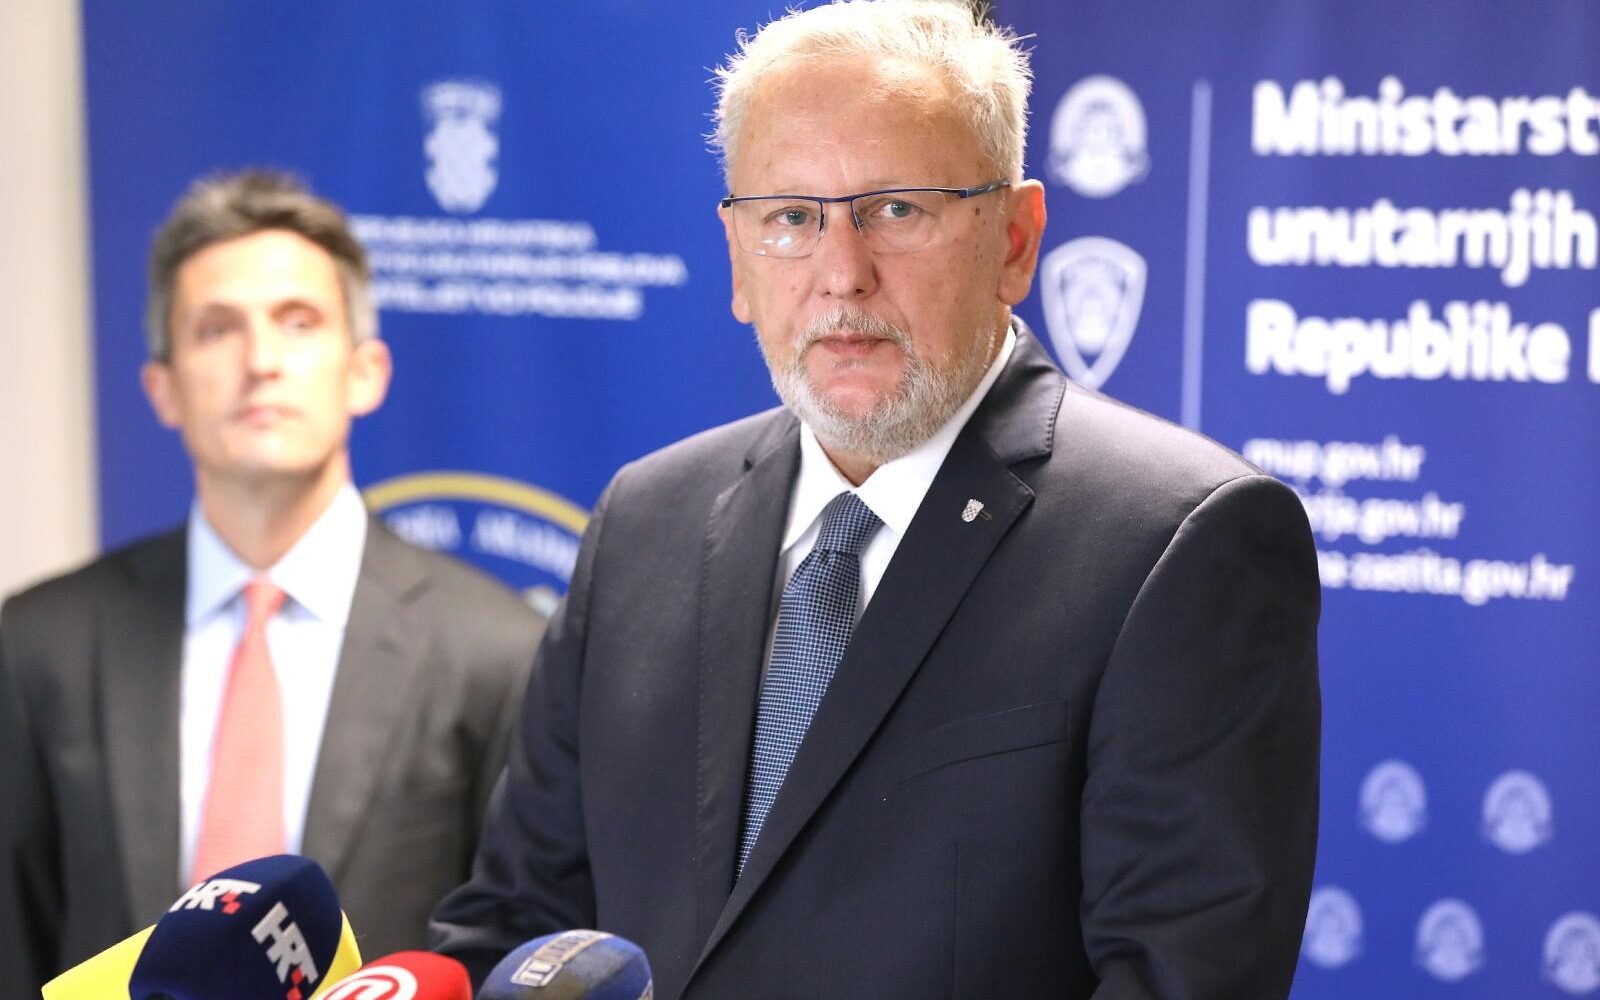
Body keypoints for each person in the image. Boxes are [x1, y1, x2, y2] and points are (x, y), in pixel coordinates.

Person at [430, 3, 1321, 997]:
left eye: (897, 209)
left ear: (1015, 238)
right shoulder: (646, 519)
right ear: (736, 255)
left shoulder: (1177, 539)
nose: (841, 274)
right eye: (790, 218)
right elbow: (520, 927)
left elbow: (1178, 978)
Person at [0, 170, 542, 987]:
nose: (260, 361)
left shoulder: (496, 651)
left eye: (298, 323)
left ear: (366, 371)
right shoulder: (44, 643)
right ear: (162, 388)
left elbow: (505, 944)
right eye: (216, 329)